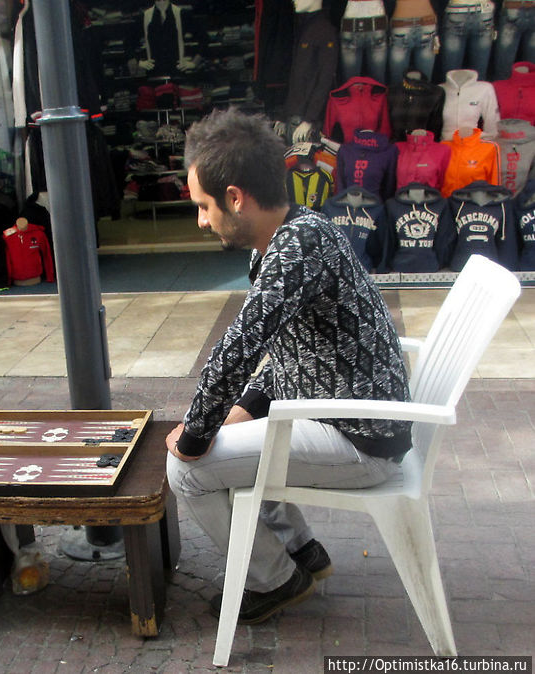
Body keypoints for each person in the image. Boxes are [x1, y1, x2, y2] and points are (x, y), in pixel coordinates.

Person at [165, 108, 412, 624]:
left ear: (235, 197)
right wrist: (242, 408)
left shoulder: (298, 248)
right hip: (342, 412)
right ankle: (303, 553)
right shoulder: (293, 235)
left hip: (361, 440)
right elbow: (284, 351)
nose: (201, 220)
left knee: (186, 471)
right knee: (233, 431)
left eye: (204, 207)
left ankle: (274, 580)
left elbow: (239, 347)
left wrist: (194, 436)